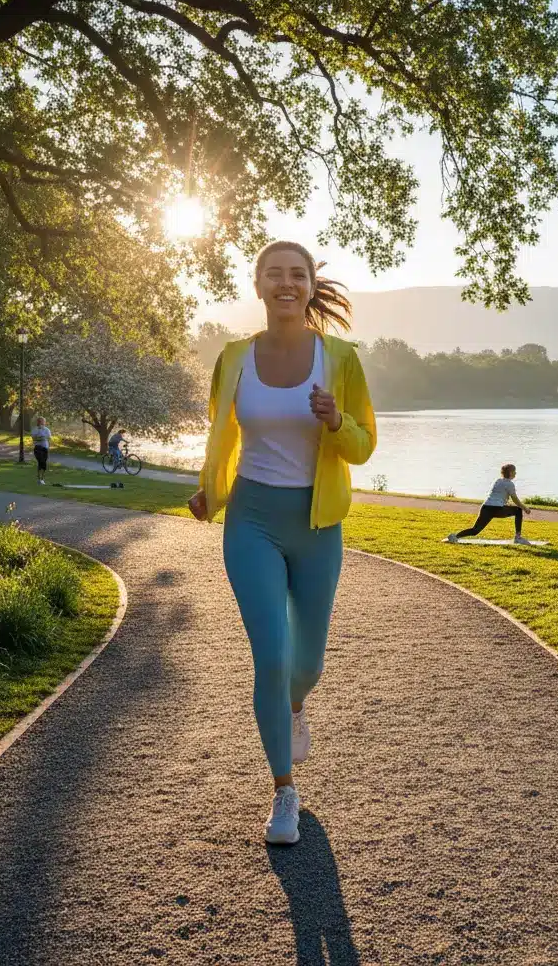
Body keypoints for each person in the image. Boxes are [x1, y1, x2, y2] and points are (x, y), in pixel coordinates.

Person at [187, 240, 376, 846]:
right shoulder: (235, 356)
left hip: (318, 525)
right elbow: (221, 431)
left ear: (311, 284)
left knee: (307, 666)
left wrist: (334, 422)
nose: (286, 284)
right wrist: (209, 492)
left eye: (297, 275)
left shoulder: (340, 358)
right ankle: (284, 791)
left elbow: (365, 445)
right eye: (275, 274)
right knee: (270, 658)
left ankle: (294, 707)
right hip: (253, 521)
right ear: (259, 284)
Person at [447, 464, 532, 545]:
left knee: (475, 530)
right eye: (514, 471)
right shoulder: (510, 484)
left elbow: (498, 496)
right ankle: (518, 538)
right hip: (496, 509)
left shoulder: (498, 481)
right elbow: (515, 499)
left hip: (486, 507)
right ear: (510, 473)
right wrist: (525, 508)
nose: (515, 473)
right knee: (518, 510)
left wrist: (506, 504)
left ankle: (455, 536)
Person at [31, 416, 52, 484]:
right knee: (41, 461)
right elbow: (34, 438)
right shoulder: (35, 429)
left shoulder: (47, 430)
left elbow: (49, 438)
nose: (41, 423)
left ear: (44, 422)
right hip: (38, 448)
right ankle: (39, 479)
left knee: (44, 463)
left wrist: (41, 438)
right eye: (39, 421)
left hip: (45, 448)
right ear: (37, 422)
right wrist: (41, 438)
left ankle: (42, 479)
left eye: (42, 421)